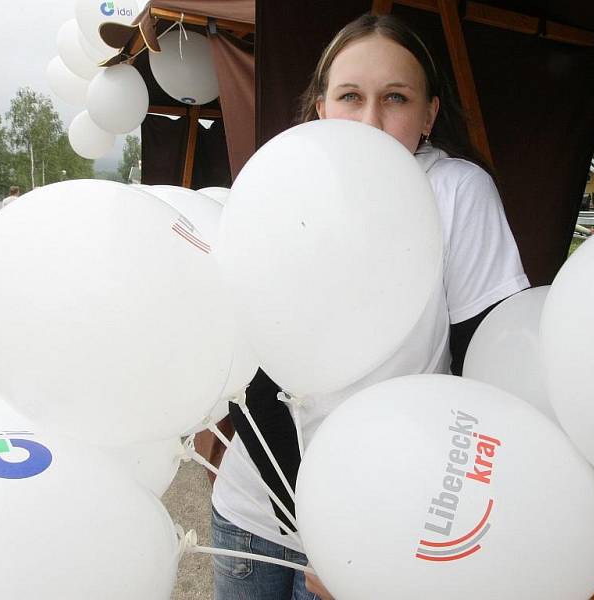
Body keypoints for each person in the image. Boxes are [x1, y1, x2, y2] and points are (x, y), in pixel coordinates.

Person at [210, 13, 529, 600]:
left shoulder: (456, 194)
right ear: (320, 108)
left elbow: (492, 364)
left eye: (396, 98)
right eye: (351, 96)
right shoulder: (281, 190)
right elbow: (252, 375)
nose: (371, 120)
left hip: (378, 521)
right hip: (252, 513)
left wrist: (356, 539)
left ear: (429, 114)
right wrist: (315, 523)